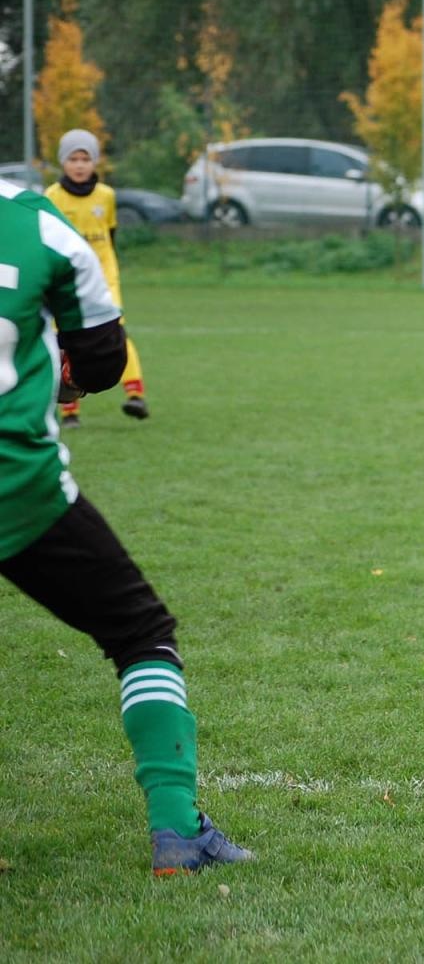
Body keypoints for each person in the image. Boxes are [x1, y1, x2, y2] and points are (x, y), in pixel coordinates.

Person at [0, 177, 251, 874]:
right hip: (16, 488)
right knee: (139, 633)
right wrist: (66, 381)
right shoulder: (32, 220)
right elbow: (105, 357)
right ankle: (177, 833)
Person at [44, 129, 149, 426]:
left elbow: (109, 236)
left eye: (85, 158)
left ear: (95, 163)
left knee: (115, 332)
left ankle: (135, 394)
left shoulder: (107, 195)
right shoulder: (52, 196)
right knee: (65, 338)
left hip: (104, 278)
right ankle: (69, 408)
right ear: (63, 162)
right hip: (65, 279)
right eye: (73, 159)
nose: (79, 165)